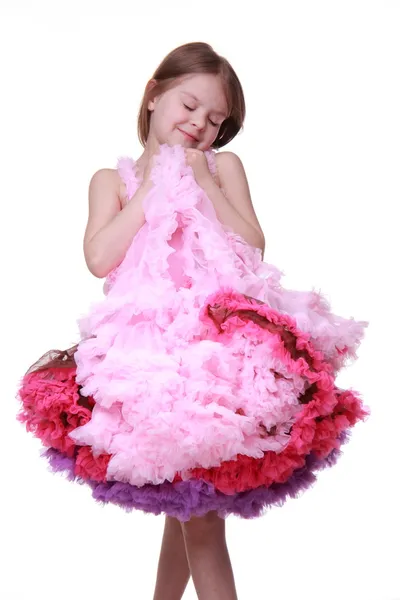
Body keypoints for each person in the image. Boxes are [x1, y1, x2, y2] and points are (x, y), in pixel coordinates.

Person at [17, 42, 369, 600]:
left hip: (216, 356)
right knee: (187, 505)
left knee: (199, 513)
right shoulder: (112, 181)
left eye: (215, 119)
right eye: (189, 105)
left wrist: (205, 183)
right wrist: (152, 189)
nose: (199, 123)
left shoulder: (223, 166)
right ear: (154, 95)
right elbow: (99, 259)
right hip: (149, 358)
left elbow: (251, 245)